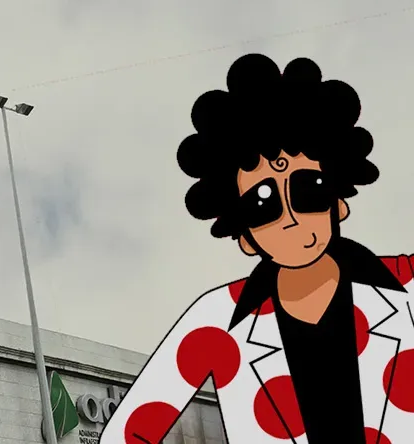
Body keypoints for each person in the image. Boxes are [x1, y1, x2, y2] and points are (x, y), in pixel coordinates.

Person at [98, 53, 414, 444]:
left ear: (339, 202)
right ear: (245, 236)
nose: (291, 216)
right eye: (262, 205)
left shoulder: (407, 285)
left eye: (308, 190)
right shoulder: (216, 323)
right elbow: (127, 431)